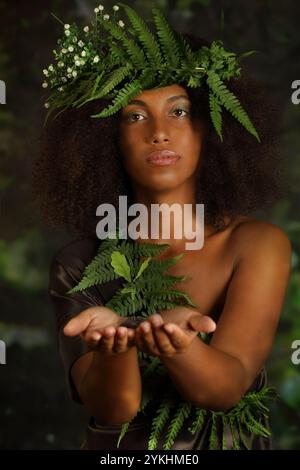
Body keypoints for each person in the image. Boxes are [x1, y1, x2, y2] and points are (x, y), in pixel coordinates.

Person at [32, 3, 292, 450]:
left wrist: (176, 346)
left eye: (179, 111)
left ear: (210, 128)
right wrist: (118, 348)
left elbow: (225, 389)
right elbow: (115, 409)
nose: (158, 132)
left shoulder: (257, 244)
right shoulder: (78, 264)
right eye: (133, 116)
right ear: (103, 141)